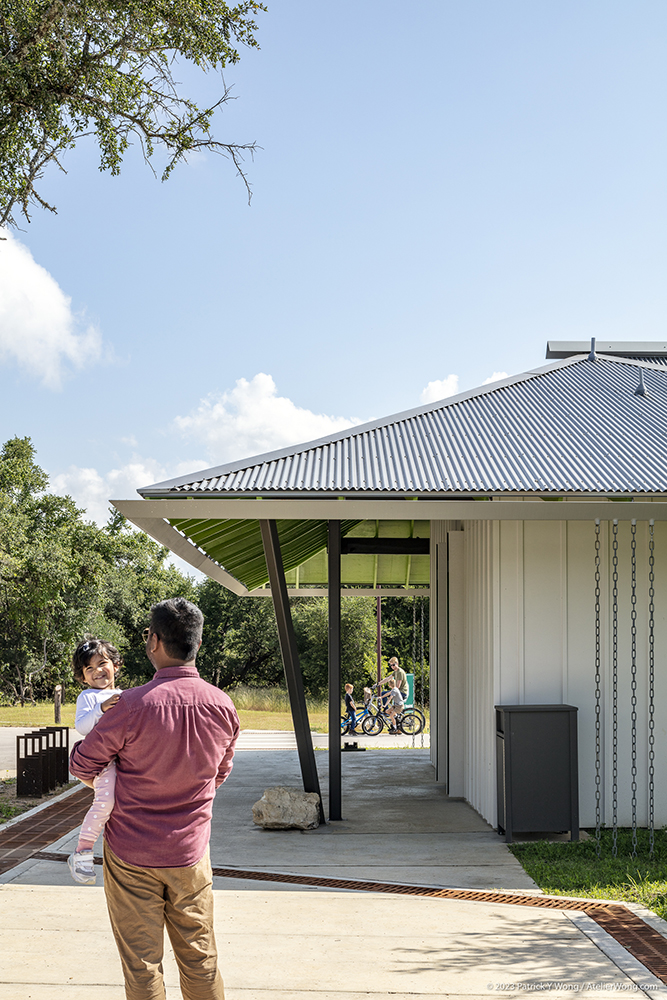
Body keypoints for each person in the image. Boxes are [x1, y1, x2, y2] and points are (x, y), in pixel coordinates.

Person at [70, 597, 239, 1000]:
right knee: (201, 958)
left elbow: (82, 763)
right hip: (191, 854)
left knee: (142, 965)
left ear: (155, 642)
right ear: (195, 643)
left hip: (132, 854)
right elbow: (220, 772)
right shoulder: (222, 705)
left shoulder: (128, 706)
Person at [67, 638, 123, 885]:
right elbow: (82, 727)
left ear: (116, 665)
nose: (97, 671)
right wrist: (100, 708)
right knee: (105, 802)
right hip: (105, 763)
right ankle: (82, 851)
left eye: (102, 663)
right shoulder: (88, 698)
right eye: (89, 668)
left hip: (128, 760)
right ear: (83, 677)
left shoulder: (125, 695)